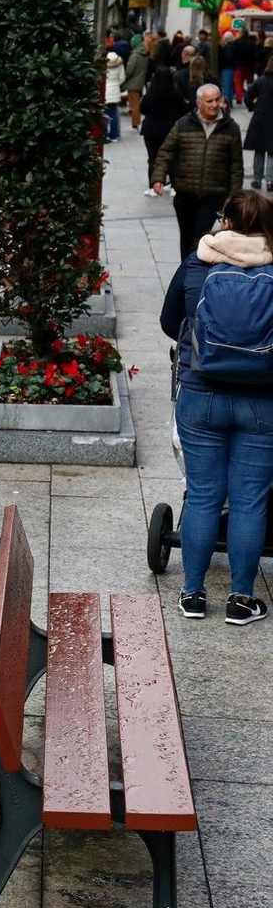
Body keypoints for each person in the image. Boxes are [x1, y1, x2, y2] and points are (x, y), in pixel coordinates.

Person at [160, 189, 273, 626]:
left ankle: (193, 595)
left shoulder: (197, 263)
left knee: (204, 495)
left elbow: (170, 322)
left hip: (201, 394)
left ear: (224, 222)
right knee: (249, 501)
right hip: (263, 401)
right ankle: (241, 600)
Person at [151, 84, 244, 262]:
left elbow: (236, 166)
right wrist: (158, 178)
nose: (215, 104)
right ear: (198, 103)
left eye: (218, 99)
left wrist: (233, 197)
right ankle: (186, 273)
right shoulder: (183, 124)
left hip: (214, 195)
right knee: (186, 238)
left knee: (200, 238)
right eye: (209, 101)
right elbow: (166, 152)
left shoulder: (231, 128)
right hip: (185, 193)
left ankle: (192, 273)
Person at [140, 60, 189, 198]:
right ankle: (174, 185)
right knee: (173, 157)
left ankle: (153, 186)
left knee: (153, 158)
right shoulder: (176, 94)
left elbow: (142, 109)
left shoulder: (150, 95)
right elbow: (183, 110)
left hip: (152, 130)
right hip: (170, 129)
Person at [243, 60, 273, 190]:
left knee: (259, 149)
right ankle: (271, 180)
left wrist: (253, 106)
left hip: (260, 117)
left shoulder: (261, 80)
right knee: (272, 151)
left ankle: (257, 179)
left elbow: (248, 97)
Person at [124, 33, 151, 130]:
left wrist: (124, 78)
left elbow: (129, 70)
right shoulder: (144, 53)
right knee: (137, 104)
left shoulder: (135, 55)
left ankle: (135, 124)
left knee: (134, 105)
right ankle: (136, 122)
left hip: (133, 83)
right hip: (140, 81)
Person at [103, 47, 125, 142]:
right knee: (113, 114)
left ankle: (104, 134)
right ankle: (114, 135)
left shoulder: (103, 62)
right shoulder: (119, 62)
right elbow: (122, 77)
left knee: (103, 114)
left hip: (105, 90)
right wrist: (116, 84)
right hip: (115, 89)